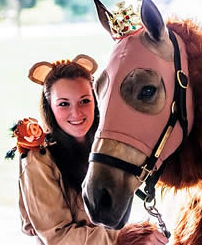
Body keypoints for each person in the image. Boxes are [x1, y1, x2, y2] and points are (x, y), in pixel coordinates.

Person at [11, 54, 169, 245]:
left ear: (96, 100)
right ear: (50, 107)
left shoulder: (103, 143)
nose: (76, 113)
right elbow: (57, 237)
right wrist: (124, 237)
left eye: (84, 101)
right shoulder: (38, 157)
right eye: (63, 104)